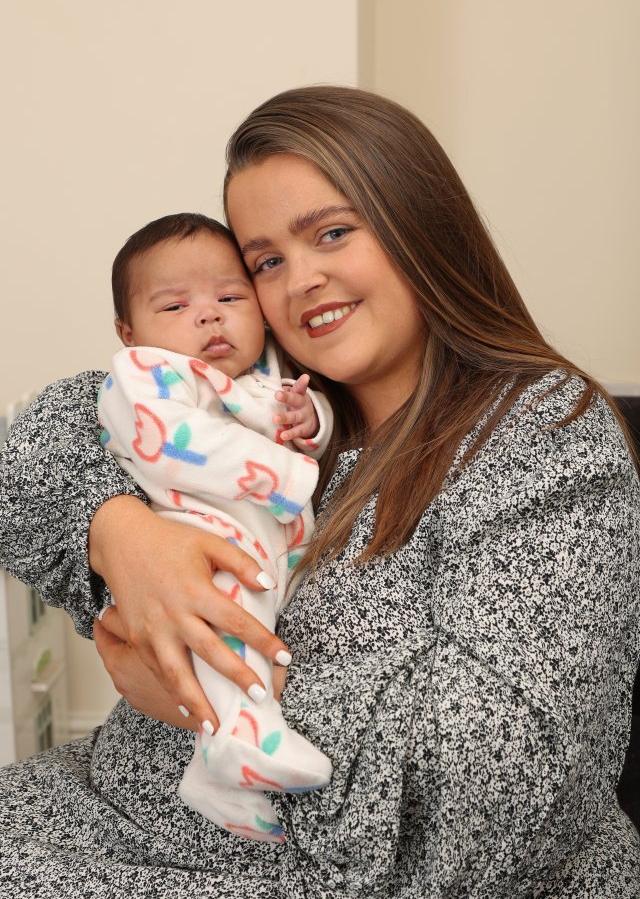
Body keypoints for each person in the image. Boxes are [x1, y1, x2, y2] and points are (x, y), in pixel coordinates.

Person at [0, 85, 639, 899]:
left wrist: (211, 689)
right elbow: (33, 450)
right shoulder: (270, 415)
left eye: (332, 232)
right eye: (266, 260)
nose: (299, 280)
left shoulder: (541, 432)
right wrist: (123, 536)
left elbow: (491, 787)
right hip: (116, 810)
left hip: (296, 869)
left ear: (419, 224)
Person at [97, 212, 333, 842]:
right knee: (227, 630)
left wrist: (311, 420)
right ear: (130, 332)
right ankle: (238, 739)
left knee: (260, 633)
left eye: (230, 297)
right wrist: (287, 472)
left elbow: (313, 424)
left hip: (276, 545)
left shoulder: (269, 373)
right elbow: (172, 445)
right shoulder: (145, 378)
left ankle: (217, 777)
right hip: (197, 538)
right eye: (175, 305)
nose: (209, 315)